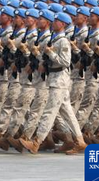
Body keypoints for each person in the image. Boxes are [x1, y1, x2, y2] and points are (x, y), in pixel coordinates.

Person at [19, 13, 87, 154]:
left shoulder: (63, 41)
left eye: (57, 21)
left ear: (63, 24)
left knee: (49, 112)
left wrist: (51, 54)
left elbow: (65, 62)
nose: (54, 22)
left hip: (60, 80)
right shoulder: (55, 39)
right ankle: (80, 141)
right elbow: (49, 60)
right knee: (68, 113)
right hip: (54, 78)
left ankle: (36, 142)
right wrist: (39, 55)